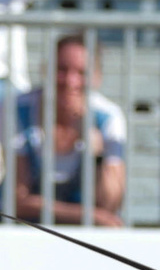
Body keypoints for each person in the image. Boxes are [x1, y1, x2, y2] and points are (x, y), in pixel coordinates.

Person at [9, 33, 127, 227]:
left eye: (82, 73)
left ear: (97, 78)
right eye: (61, 69)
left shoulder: (108, 117)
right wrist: (89, 215)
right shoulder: (16, 110)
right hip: (22, 229)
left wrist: (99, 156)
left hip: (83, 232)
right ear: (45, 70)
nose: (70, 82)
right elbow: (16, 202)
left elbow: (110, 205)